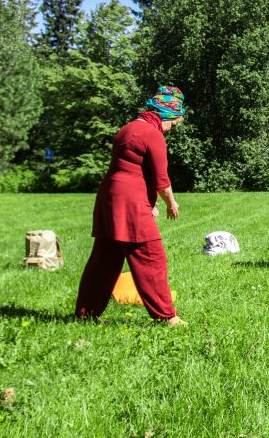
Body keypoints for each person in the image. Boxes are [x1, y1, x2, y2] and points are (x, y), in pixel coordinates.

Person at [75, 86, 187, 326]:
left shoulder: (128, 128)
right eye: (173, 124)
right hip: (129, 204)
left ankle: (86, 314)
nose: (170, 130)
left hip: (109, 199)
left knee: (103, 261)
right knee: (151, 257)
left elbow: (131, 171)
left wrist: (148, 203)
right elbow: (161, 179)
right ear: (165, 115)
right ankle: (167, 316)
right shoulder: (152, 132)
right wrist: (171, 203)